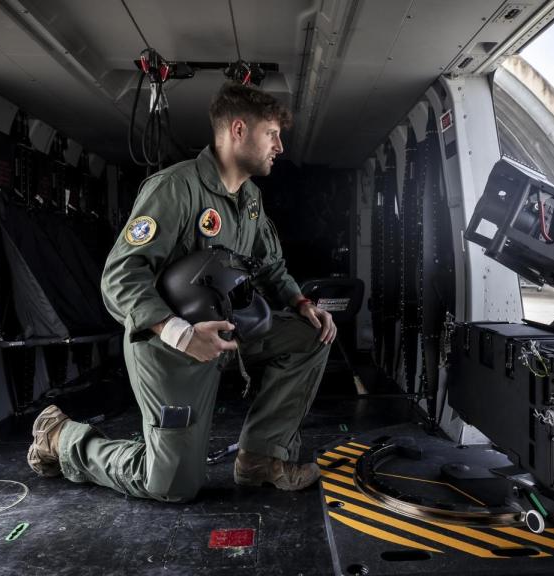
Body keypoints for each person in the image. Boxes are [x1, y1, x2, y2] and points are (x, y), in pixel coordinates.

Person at [26, 83, 336, 502]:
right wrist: (181, 334)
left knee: (310, 334)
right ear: (239, 130)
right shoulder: (175, 188)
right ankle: (61, 438)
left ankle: (261, 458)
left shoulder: (249, 199)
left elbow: (271, 265)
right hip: (169, 348)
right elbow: (120, 276)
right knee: (170, 485)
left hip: (226, 334)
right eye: (272, 134)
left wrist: (301, 304)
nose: (280, 145)